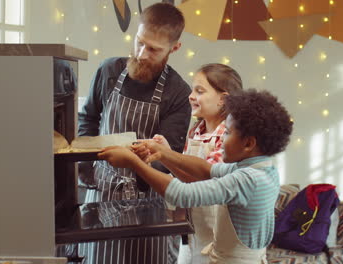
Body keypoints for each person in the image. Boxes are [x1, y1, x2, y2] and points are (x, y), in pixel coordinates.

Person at [99, 89, 294, 263]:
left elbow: (181, 194)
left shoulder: (247, 180)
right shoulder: (262, 168)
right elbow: (206, 170)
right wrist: (163, 153)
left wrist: (134, 163)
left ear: (248, 144)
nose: (222, 139)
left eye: (227, 133)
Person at [77, 3, 192, 264]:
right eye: (139, 42)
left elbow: (167, 156)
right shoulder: (108, 71)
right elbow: (88, 119)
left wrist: (148, 160)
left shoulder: (177, 93)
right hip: (101, 193)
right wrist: (88, 171)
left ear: (174, 48)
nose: (141, 53)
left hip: (147, 201)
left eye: (154, 49)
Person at [152, 63, 243, 264]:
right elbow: (186, 175)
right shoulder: (196, 131)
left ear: (223, 99)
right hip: (194, 231)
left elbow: (204, 177)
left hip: (219, 237)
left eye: (199, 91)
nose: (190, 96)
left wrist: (165, 155)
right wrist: (166, 153)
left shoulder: (230, 136)